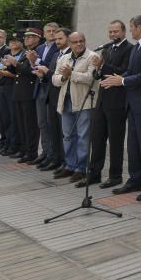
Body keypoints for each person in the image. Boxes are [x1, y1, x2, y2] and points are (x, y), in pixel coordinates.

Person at [101, 14, 141, 201]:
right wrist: (116, 79)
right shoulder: (138, 46)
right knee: (133, 145)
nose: (130, 31)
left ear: (139, 27)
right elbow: (132, 71)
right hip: (133, 103)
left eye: (131, 27)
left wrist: (123, 81)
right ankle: (135, 180)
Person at [88, 20, 133, 188]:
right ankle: (94, 173)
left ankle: (115, 176)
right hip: (101, 100)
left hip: (117, 101)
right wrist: (96, 68)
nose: (113, 35)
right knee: (97, 138)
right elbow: (99, 75)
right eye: (110, 32)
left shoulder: (130, 49)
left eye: (116, 31)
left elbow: (122, 71)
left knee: (115, 141)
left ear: (123, 32)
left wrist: (104, 65)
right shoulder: (106, 49)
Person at [53, 32, 99, 183]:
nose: (79, 44)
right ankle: (70, 166)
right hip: (65, 102)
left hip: (83, 103)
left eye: (81, 41)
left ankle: (81, 169)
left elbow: (90, 78)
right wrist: (64, 77)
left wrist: (71, 73)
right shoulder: (64, 58)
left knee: (82, 137)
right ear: (70, 44)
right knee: (68, 136)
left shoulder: (92, 57)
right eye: (75, 42)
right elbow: (55, 80)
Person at [38, 28, 71, 172]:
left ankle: (65, 161)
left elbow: (63, 77)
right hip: (51, 97)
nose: (57, 41)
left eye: (60, 39)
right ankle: (56, 158)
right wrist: (42, 75)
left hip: (62, 98)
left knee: (64, 132)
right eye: (56, 39)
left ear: (68, 39)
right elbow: (51, 77)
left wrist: (47, 72)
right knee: (54, 130)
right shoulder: (56, 54)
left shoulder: (71, 55)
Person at [30, 22, 60, 167]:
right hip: (39, 87)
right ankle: (45, 152)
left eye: (54, 31)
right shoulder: (40, 47)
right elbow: (35, 67)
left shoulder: (58, 48)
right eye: (48, 31)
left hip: (51, 88)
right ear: (44, 33)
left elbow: (49, 67)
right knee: (41, 123)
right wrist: (33, 63)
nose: (52, 33)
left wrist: (35, 60)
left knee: (50, 123)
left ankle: (53, 154)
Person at [10, 29, 42, 163]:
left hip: (28, 92)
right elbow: (18, 70)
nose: (27, 39)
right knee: (21, 123)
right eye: (26, 37)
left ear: (38, 38)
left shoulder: (37, 51)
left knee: (30, 125)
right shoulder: (25, 52)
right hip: (19, 91)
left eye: (31, 37)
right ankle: (24, 149)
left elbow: (31, 70)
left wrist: (16, 63)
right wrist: (11, 65)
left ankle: (31, 152)